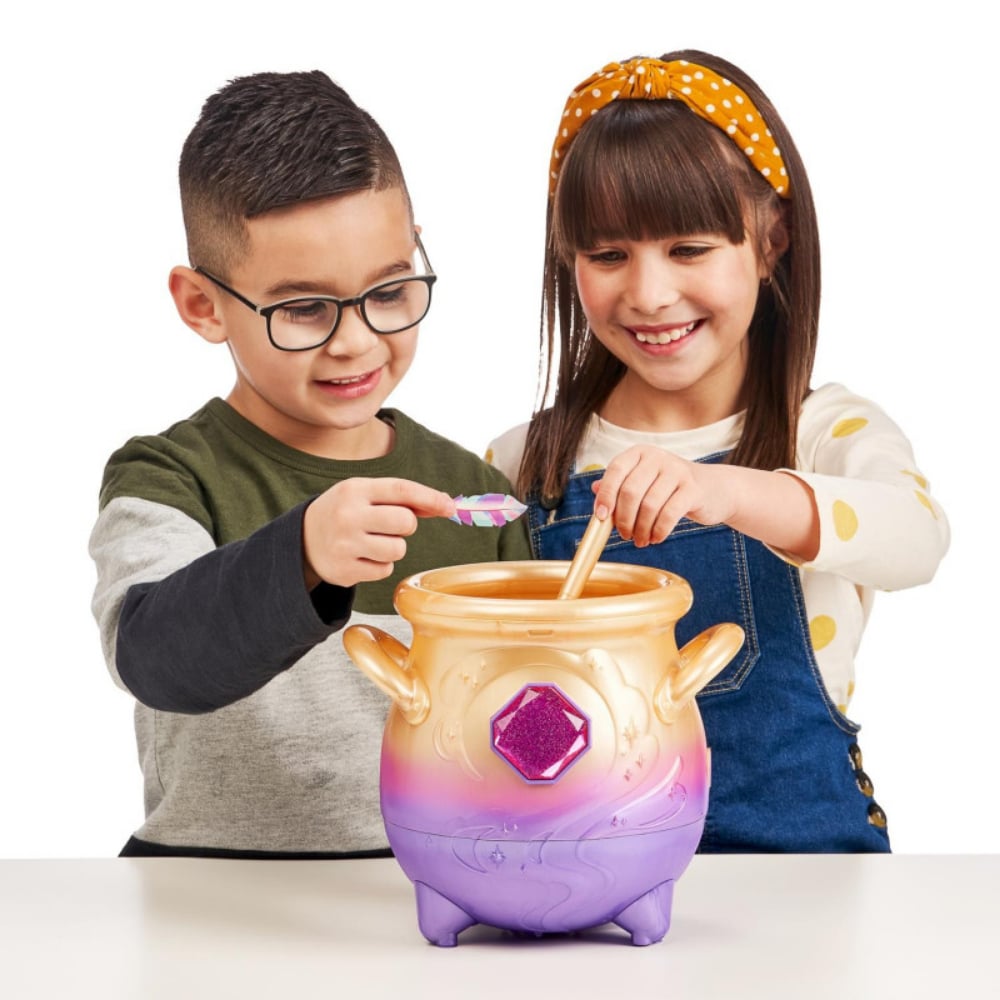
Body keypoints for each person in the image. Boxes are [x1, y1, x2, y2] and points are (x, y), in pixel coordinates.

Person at [487, 50, 950, 852]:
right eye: (608, 255)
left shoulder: (824, 432)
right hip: (586, 870)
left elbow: (919, 539)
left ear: (771, 240)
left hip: (806, 874)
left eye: (689, 249)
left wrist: (731, 492)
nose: (649, 294)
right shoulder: (526, 461)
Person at [89, 70, 531, 859]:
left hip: (432, 893)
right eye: (303, 309)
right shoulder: (168, 477)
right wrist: (302, 555)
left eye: (389, 292)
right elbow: (153, 656)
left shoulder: (476, 494)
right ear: (202, 305)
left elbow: (521, 716)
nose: (355, 342)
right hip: (201, 890)